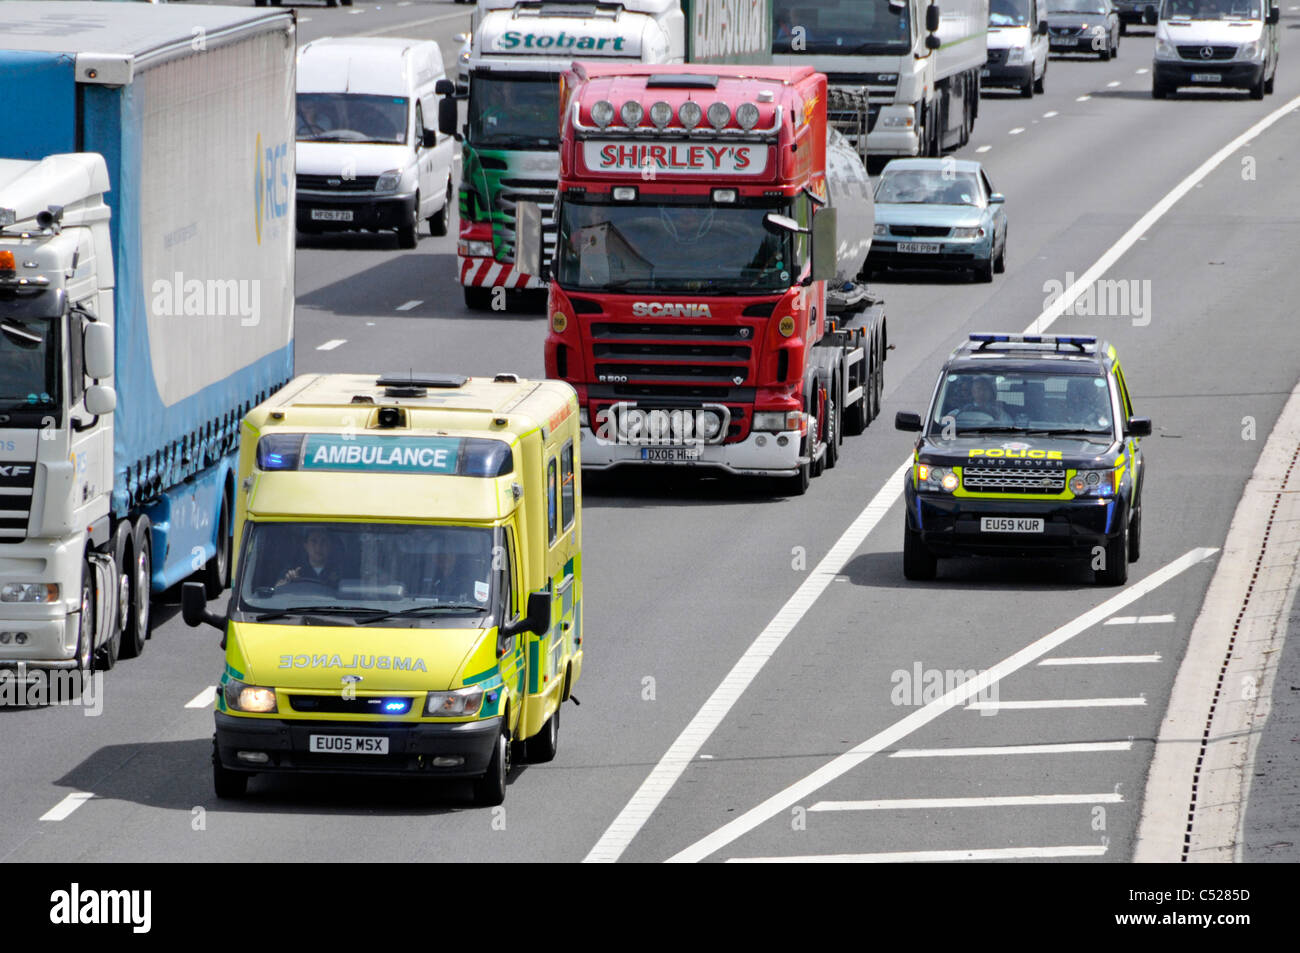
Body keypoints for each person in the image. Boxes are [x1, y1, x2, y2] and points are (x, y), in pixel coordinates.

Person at [276, 529, 340, 588]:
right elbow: (277, 590)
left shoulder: (340, 570)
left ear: (330, 546)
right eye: (314, 541)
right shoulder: (293, 569)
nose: (318, 547)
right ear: (306, 546)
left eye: (323, 541)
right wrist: (287, 581)